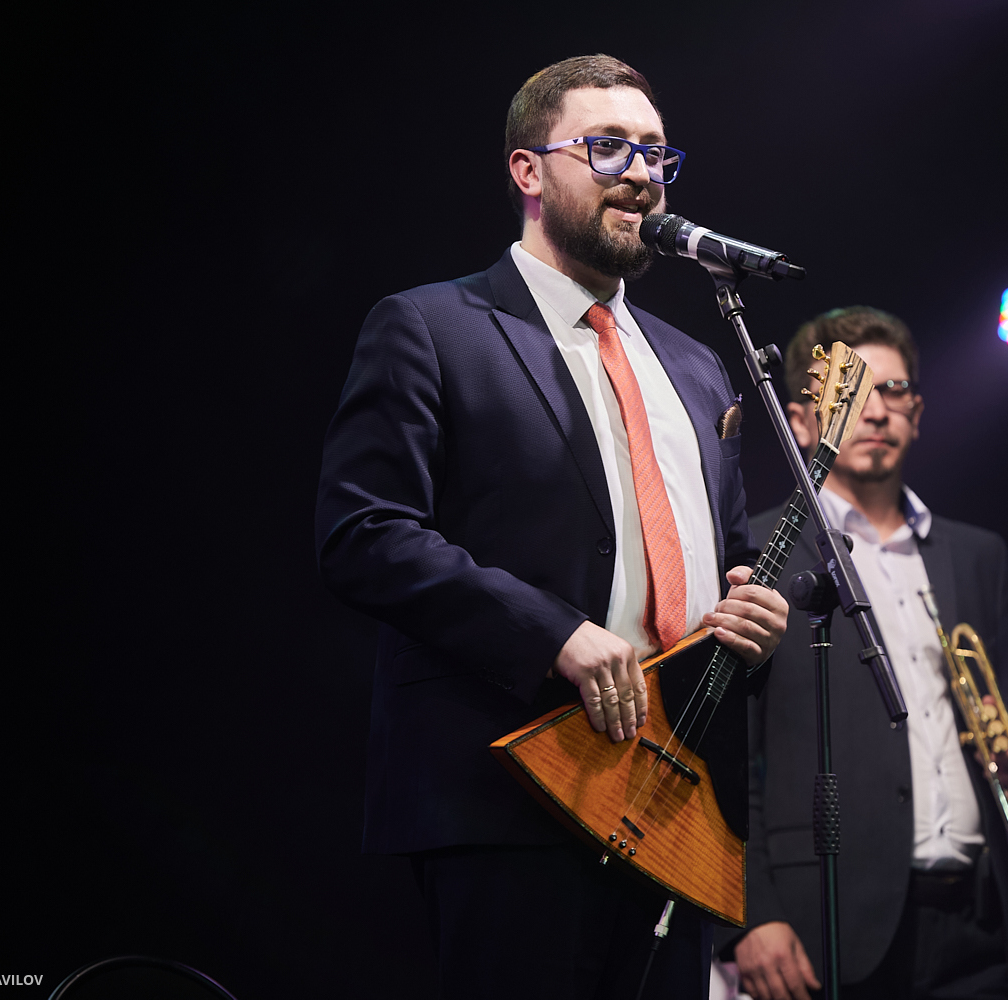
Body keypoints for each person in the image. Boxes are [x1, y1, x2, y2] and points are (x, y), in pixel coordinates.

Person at [314, 54, 788, 999]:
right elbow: (363, 532)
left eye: (655, 152)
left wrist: (752, 610)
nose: (641, 174)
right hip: (510, 791)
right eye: (607, 147)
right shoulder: (433, 326)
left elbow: (728, 554)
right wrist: (553, 634)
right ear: (528, 170)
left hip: (672, 801)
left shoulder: (696, 365)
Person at [720, 307, 1008, 1000]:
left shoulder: (978, 554)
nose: (874, 412)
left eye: (893, 391)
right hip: (826, 924)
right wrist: (750, 913)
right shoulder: (758, 553)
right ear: (801, 420)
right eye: (853, 393)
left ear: (917, 413)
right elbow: (727, 757)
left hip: (979, 919)